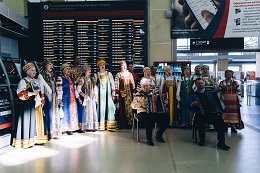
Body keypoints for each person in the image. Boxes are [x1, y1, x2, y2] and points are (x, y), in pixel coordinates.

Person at [188, 78, 230, 150]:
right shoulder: (195, 95)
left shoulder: (212, 92)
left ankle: (221, 143)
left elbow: (220, 103)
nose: (201, 85)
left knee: (220, 123)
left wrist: (222, 99)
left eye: (202, 83)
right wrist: (193, 103)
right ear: (196, 85)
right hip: (201, 113)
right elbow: (188, 106)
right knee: (200, 119)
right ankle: (202, 139)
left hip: (213, 114)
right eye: (199, 84)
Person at [13, 62, 47, 148]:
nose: (34, 72)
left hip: (33, 104)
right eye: (32, 70)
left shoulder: (35, 81)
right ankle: (25, 141)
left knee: (32, 121)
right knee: (26, 121)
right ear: (27, 72)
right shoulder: (23, 81)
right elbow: (20, 94)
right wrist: (32, 93)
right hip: (26, 105)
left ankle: (32, 140)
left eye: (35, 70)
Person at [131, 78, 170, 146]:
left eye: (147, 86)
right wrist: (141, 104)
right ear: (141, 86)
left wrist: (164, 102)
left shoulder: (153, 93)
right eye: (144, 86)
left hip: (153, 112)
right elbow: (132, 105)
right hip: (141, 112)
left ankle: (158, 135)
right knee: (149, 119)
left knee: (166, 118)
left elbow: (159, 102)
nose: (146, 87)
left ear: (149, 86)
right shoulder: (138, 94)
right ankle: (149, 139)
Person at [39, 59, 63, 140]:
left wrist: (58, 97)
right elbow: (42, 88)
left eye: (52, 65)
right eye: (50, 64)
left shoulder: (52, 75)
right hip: (47, 96)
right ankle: (48, 133)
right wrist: (43, 97)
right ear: (45, 66)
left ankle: (55, 133)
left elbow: (56, 85)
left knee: (55, 113)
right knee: (48, 114)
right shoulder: (41, 75)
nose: (51, 66)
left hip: (54, 96)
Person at [94, 59, 117, 131]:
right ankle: (101, 125)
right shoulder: (96, 75)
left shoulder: (108, 74)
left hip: (108, 95)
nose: (102, 66)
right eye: (101, 65)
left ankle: (110, 126)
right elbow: (94, 85)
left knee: (109, 108)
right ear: (98, 66)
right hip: (100, 96)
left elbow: (112, 84)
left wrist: (113, 94)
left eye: (103, 64)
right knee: (101, 108)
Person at [76, 63, 98, 132]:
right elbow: (78, 89)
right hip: (85, 98)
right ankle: (84, 127)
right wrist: (84, 95)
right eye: (88, 70)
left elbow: (95, 87)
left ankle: (91, 126)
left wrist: (94, 93)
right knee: (85, 112)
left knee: (92, 111)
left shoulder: (92, 79)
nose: (89, 71)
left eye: (90, 69)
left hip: (91, 97)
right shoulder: (81, 79)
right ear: (85, 71)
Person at [59, 63, 79, 135]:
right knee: (65, 112)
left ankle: (71, 128)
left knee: (72, 112)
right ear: (63, 70)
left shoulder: (71, 79)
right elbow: (59, 89)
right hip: (65, 98)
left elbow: (75, 88)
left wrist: (78, 97)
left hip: (72, 97)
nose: (68, 70)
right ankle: (64, 128)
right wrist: (59, 99)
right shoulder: (60, 79)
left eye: (69, 69)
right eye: (67, 69)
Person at [115, 61, 135, 129]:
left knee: (130, 108)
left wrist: (134, 93)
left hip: (129, 95)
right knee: (122, 108)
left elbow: (133, 84)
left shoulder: (130, 74)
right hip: (122, 95)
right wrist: (117, 94)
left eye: (124, 65)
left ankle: (130, 123)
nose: (123, 67)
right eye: (122, 66)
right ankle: (122, 123)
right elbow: (116, 85)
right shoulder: (118, 74)